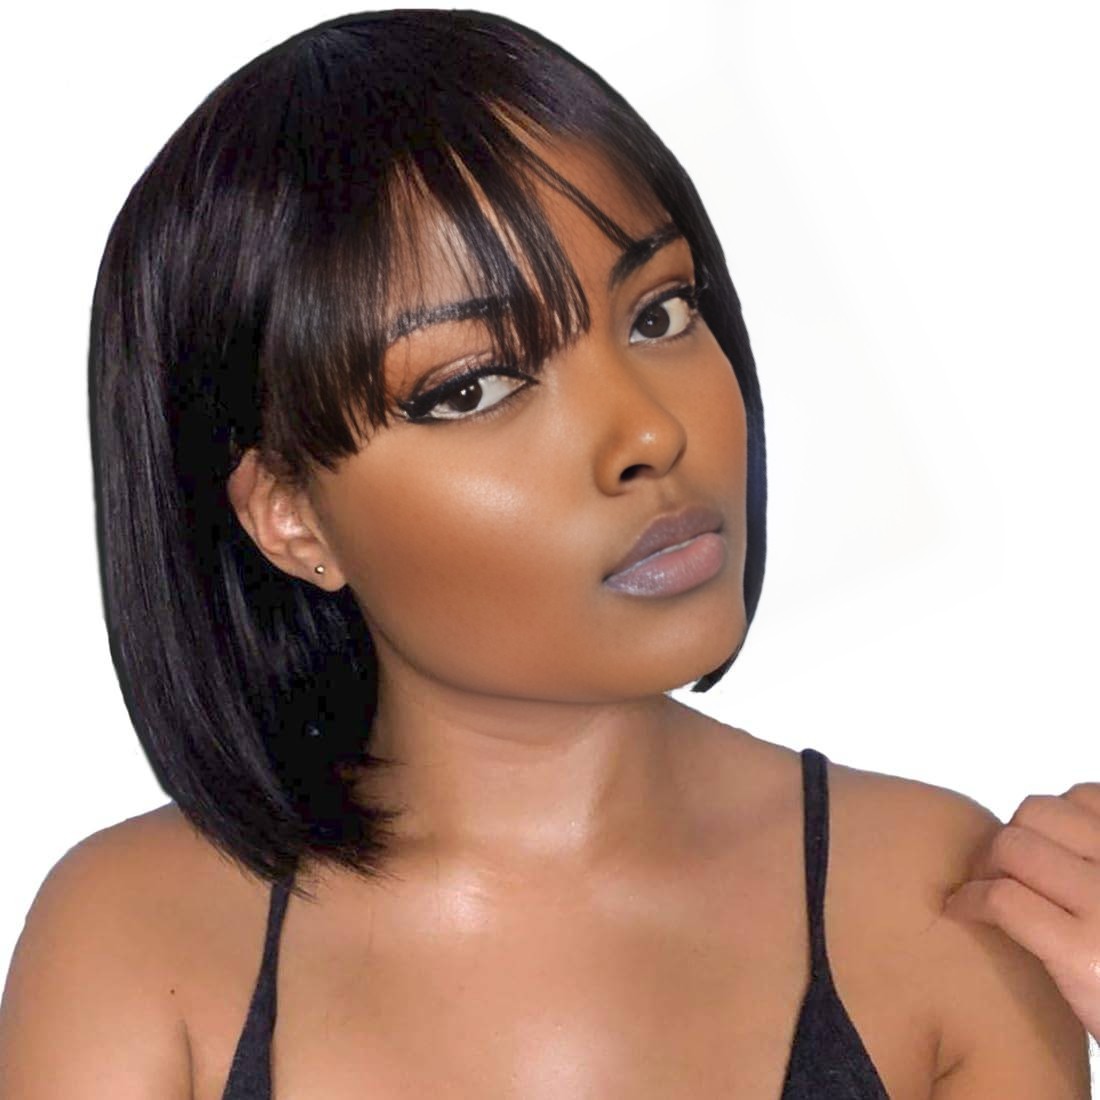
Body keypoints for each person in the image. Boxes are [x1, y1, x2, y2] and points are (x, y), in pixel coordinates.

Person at [0, 9, 1092, 1098]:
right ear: (291, 515)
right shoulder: (134, 944)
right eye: (473, 387)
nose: (648, 431)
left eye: (659, 314)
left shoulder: (938, 900)